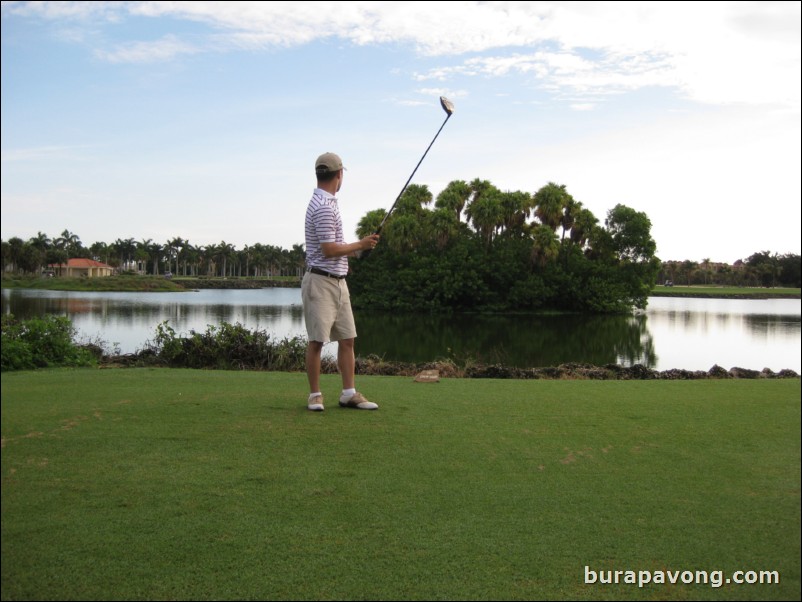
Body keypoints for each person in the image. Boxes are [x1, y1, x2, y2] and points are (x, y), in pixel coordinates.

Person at [302, 152, 380, 412]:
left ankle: (348, 393)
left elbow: (336, 248)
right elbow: (328, 250)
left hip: (338, 281)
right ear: (339, 175)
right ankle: (315, 395)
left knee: (347, 339)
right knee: (317, 341)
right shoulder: (324, 206)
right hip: (321, 282)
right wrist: (360, 244)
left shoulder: (328, 202)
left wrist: (359, 249)